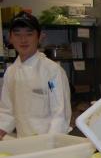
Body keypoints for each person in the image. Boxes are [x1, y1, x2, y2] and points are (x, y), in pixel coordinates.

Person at [0, 11, 72, 139]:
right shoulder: (11, 72)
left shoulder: (52, 72)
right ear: (10, 38)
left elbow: (60, 114)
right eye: (17, 34)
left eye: (29, 34)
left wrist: (50, 144)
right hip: (23, 141)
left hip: (47, 143)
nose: (23, 40)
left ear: (39, 37)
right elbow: (7, 110)